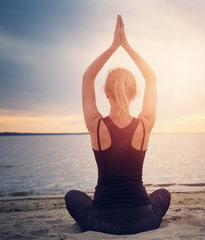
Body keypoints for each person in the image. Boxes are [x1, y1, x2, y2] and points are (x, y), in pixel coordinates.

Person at [64, 15, 171, 235]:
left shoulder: (96, 124)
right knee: (163, 194)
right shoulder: (145, 124)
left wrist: (114, 46)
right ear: (134, 94)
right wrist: (127, 46)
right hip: (142, 217)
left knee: (72, 196)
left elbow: (87, 78)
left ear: (106, 93)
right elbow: (151, 78)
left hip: (102, 218)